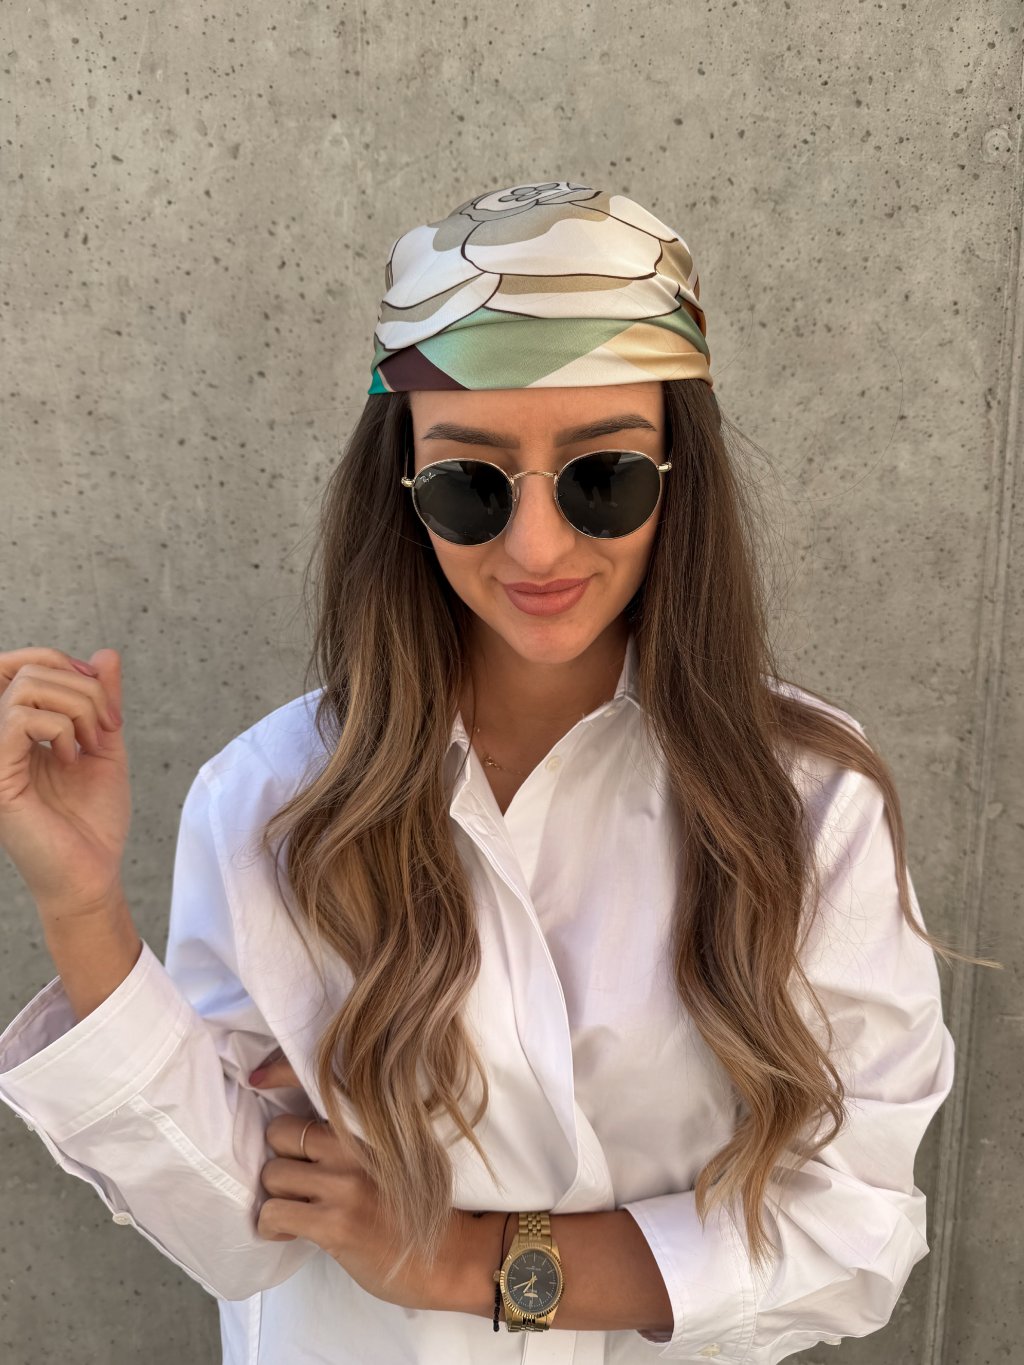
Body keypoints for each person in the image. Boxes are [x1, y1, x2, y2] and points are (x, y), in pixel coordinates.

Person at [0, 180, 982, 1364]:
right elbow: (239, 1226)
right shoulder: (269, 799)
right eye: (468, 486)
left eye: (603, 477)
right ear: (405, 495)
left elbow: (849, 1231)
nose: (537, 545)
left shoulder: (808, 806)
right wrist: (82, 907)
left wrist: (464, 1262)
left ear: (680, 477)